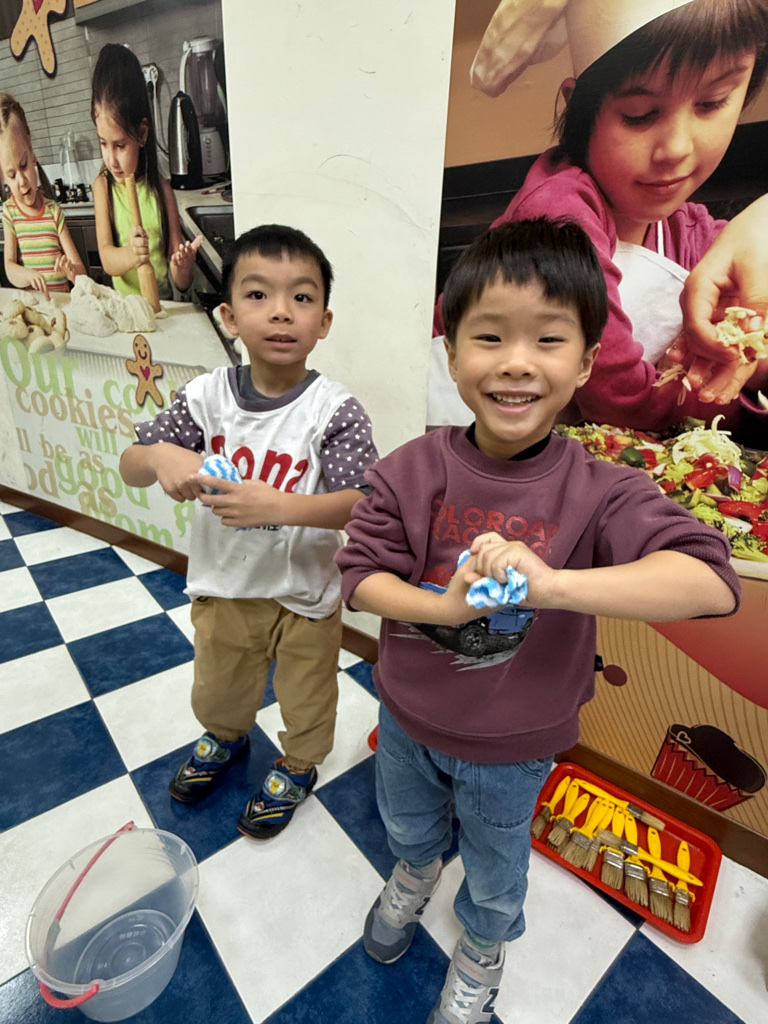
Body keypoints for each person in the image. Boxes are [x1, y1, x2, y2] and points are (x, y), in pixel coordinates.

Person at [338, 218, 740, 1024]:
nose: (517, 362)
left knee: (495, 862)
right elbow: (360, 577)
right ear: (452, 353)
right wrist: (443, 609)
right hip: (407, 716)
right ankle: (415, 872)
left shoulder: (601, 489)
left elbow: (709, 581)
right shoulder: (411, 468)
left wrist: (551, 586)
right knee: (408, 823)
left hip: (514, 747)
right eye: (489, 337)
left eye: (548, 340)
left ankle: (484, 945)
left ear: (586, 361)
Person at [119, 224, 378, 839]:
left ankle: (299, 764)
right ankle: (226, 737)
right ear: (230, 316)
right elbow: (131, 465)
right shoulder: (205, 397)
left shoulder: (333, 409)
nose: (281, 311)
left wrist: (280, 505)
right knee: (218, 686)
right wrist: (160, 456)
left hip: (305, 594)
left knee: (307, 696)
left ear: (324, 321)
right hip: (225, 585)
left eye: (302, 297)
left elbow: (363, 503)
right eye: (259, 295)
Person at [437, 0, 768, 439]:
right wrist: (738, 400)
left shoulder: (692, 234)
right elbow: (616, 398)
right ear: (579, 107)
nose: (676, 148)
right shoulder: (556, 215)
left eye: (711, 103)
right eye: (639, 115)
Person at [91, 44, 201, 301]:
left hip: (163, 308)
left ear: (141, 134)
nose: (111, 160)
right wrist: (131, 253)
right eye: (103, 144)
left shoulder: (162, 190)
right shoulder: (103, 187)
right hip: (126, 309)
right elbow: (107, 259)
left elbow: (181, 283)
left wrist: (183, 267)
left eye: (120, 146)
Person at [0, 93, 86, 298]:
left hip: (64, 305)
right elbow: (9, 267)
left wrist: (71, 272)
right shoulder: (10, 213)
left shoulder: (53, 211)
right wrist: (28, 275)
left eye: (24, 165)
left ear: (31, 151)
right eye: (11, 175)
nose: (22, 181)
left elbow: (81, 271)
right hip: (37, 308)